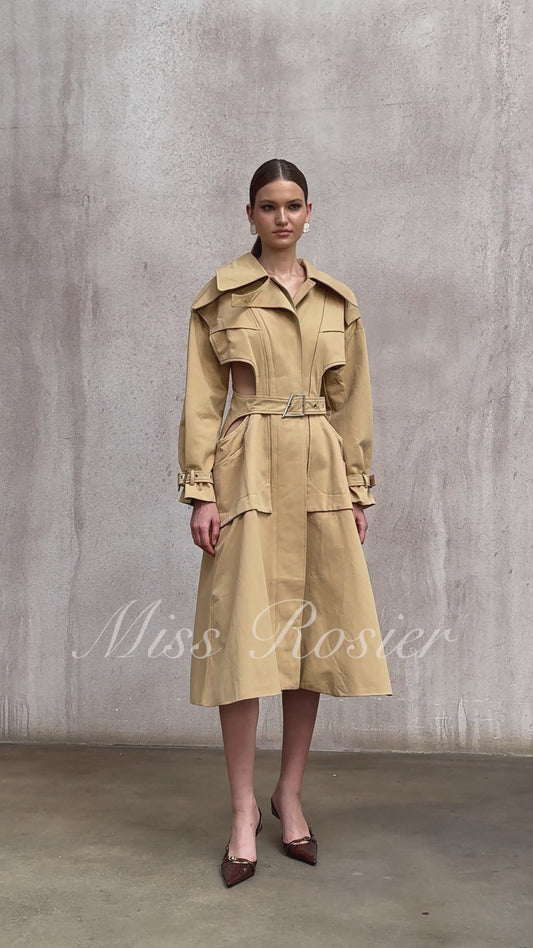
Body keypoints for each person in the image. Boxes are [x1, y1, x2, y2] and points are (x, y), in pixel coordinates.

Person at [177, 158, 393, 887]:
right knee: (243, 643)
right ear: (249, 214)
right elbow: (202, 400)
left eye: (292, 205)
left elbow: (352, 401)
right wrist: (202, 492)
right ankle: (243, 811)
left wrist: (356, 491)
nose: (281, 217)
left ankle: (289, 795)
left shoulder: (337, 301)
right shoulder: (222, 296)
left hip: (320, 473)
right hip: (247, 470)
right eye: (268, 206)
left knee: (311, 639)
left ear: (308, 212)